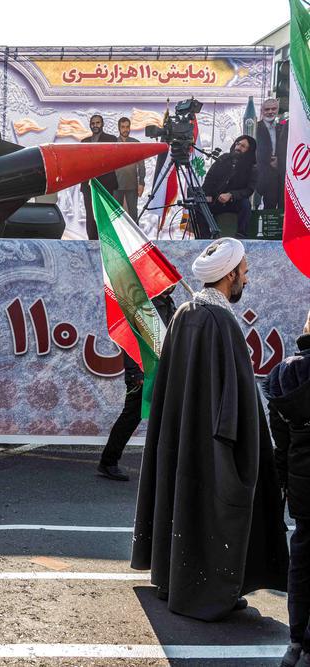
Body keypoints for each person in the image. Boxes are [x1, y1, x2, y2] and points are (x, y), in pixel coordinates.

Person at [131, 237, 288, 621]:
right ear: (229, 274)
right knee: (219, 511)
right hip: (214, 443)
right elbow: (234, 400)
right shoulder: (221, 323)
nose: (246, 279)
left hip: (185, 441)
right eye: (244, 273)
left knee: (185, 507)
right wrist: (244, 449)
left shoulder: (186, 313)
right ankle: (208, 592)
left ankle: (174, 579)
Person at [264, 311, 310, 667]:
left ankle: (296, 640)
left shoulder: (283, 375)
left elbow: (281, 444)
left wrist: (280, 487)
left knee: (302, 559)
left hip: (301, 484)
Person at [97, 287, 176, 481]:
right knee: (130, 418)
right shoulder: (146, 307)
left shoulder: (169, 304)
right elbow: (132, 341)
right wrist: (135, 374)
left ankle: (169, 467)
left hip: (163, 373)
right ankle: (108, 462)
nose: (172, 281)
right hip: (143, 375)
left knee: (170, 418)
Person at [202, 135, 258, 238]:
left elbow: (249, 190)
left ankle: (241, 236)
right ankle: (203, 238)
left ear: (248, 150)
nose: (238, 147)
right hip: (216, 200)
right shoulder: (224, 159)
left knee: (245, 205)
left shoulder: (252, 167)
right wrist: (208, 194)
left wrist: (231, 195)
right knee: (199, 206)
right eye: (237, 144)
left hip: (234, 202)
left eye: (243, 146)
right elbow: (209, 179)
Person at [80, 115, 118, 239]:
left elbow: (113, 160)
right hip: (88, 185)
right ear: (90, 125)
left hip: (106, 184)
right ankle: (92, 240)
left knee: (106, 213)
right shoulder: (84, 142)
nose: (95, 125)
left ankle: (107, 240)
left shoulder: (111, 139)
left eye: (98, 123)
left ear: (102, 124)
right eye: (93, 123)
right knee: (90, 214)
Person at [256, 98, 288, 210]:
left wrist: (279, 160)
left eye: (273, 109)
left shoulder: (283, 128)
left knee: (283, 205)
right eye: (267, 109)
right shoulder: (255, 127)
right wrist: (268, 160)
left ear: (278, 110)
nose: (270, 112)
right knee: (269, 205)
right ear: (262, 111)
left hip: (281, 172)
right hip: (264, 172)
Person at [113, 117, 147, 221]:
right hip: (115, 185)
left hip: (132, 185)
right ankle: (116, 237)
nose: (125, 129)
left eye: (127, 127)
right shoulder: (113, 143)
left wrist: (141, 183)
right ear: (119, 128)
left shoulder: (135, 143)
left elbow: (141, 165)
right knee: (115, 214)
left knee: (133, 214)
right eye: (123, 127)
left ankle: (136, 237)